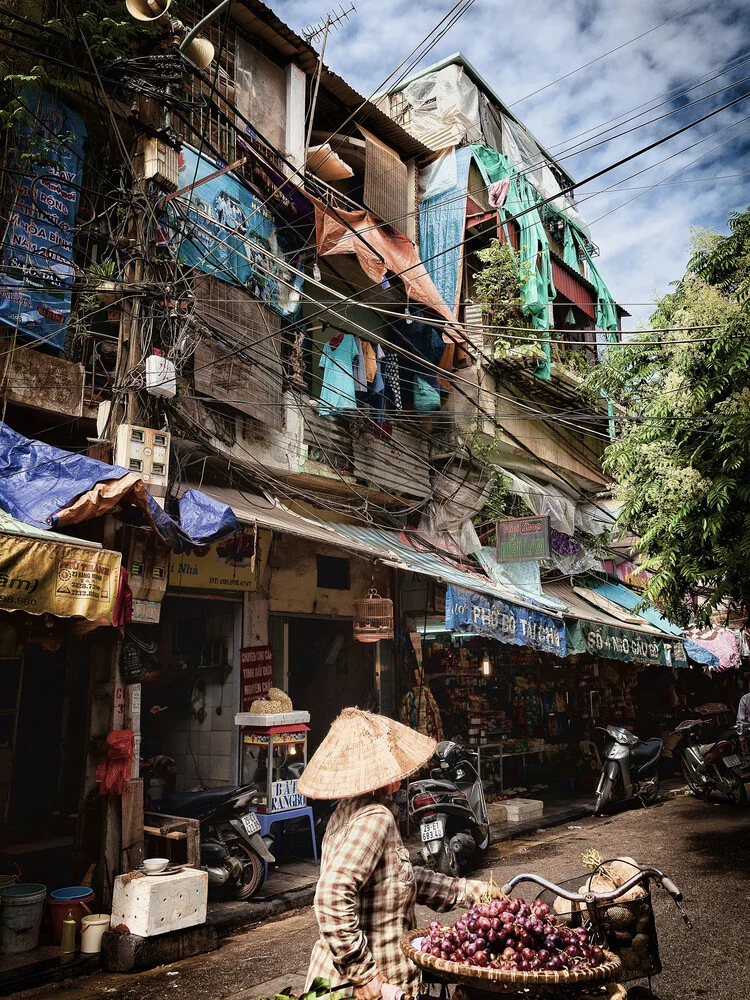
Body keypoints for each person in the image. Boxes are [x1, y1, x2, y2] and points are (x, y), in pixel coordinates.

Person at [298, 708, 500, 998]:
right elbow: (330, 897)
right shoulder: (374, 818)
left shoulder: (346, 811)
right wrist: (363, 974)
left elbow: (398, 875)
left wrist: (465, 891)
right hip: (369, 987)